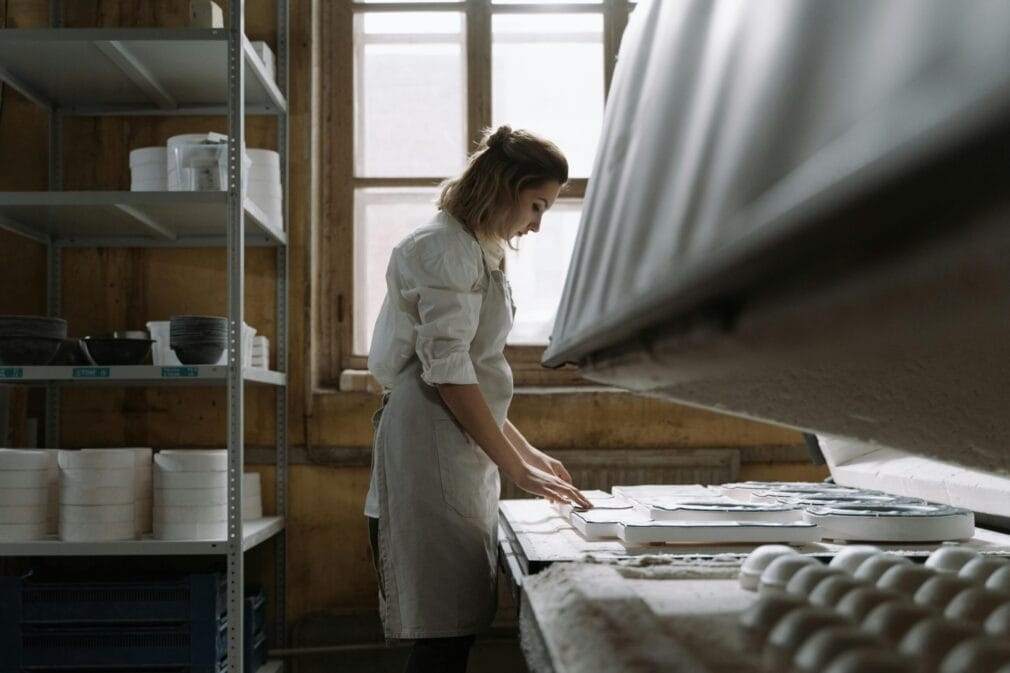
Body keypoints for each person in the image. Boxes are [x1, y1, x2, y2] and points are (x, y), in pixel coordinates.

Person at [363, 125, 593, 672]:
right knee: (442, 635)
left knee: (456, 627)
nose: (537, 225)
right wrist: (514, 464)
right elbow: (447, 374)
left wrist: (528, 455)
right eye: (536, 205)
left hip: (453, 438)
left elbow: (471, 374)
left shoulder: (474, 248)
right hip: (429, 441)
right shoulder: (440, 248)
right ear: (503, 188)